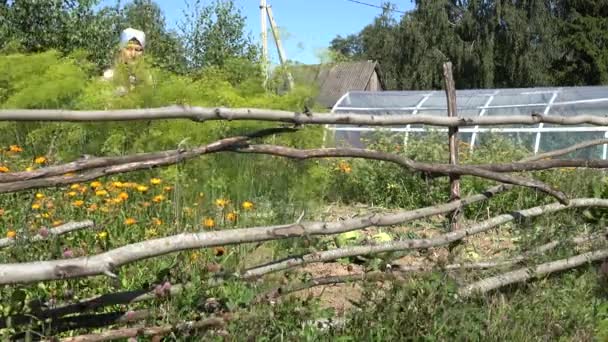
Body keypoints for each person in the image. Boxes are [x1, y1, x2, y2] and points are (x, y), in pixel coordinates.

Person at [102, 28, 147, 94]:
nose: (133, 54)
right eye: (129, 49)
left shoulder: (149, 80)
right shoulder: (109, 77)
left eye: (137, 49)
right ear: (121, 51)